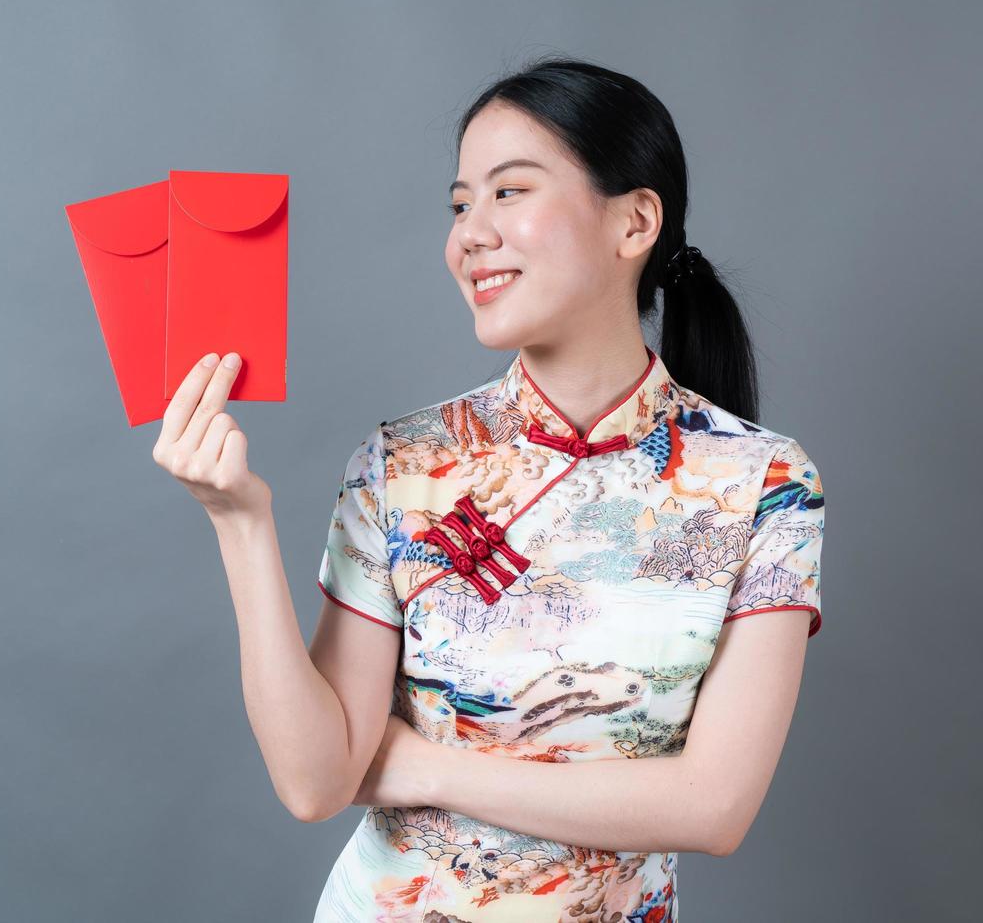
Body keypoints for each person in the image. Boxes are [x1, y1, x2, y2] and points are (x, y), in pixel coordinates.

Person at [154, 55, 825, 922]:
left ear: (635, 221)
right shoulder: (403, 465)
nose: (469, 232)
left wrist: (424, 767)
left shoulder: (765, 484)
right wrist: (240, 523)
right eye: (461, 203)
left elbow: (714, 807)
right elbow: (316, 782)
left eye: (510, 192)